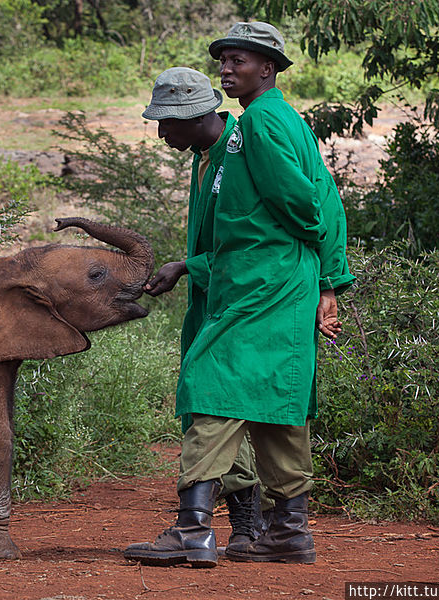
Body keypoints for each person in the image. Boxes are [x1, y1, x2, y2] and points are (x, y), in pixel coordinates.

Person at [125, 22, 354, 568]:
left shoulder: (259, 124)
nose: (228, 69)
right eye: (224, 60)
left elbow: (309, 205)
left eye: (239, 61)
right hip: (266, 282)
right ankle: (288, 532)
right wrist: (320, 279)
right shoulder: (257, 125)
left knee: (212, 386)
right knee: (278, 403)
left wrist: (323, 279)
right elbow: (283, 212)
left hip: (265, 286)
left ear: (267, 69)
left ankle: (192, 531)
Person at [121, 67, 266, 569]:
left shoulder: (245, 148)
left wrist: (189, 265)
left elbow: (255, 238)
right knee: (225, 406)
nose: (162, 133)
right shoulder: (206, 156)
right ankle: (251, 529)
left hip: (249, 297)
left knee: (211, 396)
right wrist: (188, 270)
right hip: (216, 295)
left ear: (196, 116)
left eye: (168, 123)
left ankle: (195, 529)